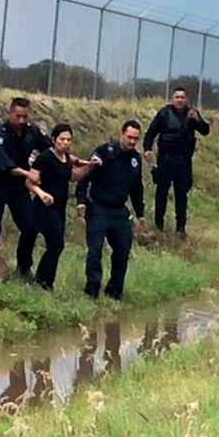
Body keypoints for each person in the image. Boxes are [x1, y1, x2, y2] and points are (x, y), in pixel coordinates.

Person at [76, 120, 146, 301]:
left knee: (123, 250)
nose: (132, 142)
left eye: (135, 139)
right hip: (99, 207)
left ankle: (114, 292)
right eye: (129, 137)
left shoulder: (135, 160)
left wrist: (140, 214)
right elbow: (86, 176)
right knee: (95, 250)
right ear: (121, 134)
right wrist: (81, 200)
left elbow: (137, 188)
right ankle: (92, 291)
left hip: (119, 210)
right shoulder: (104, 152)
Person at [0, 97, 51, 280]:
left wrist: (72, 160)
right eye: (18, 116)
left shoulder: (32, 131)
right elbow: (5, 164)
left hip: (18, 187)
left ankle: (23, 268)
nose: (21, 121)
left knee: (30, 227)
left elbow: (50, 150)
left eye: (25, 117)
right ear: (10, 113)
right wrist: (29, 174)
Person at [25, 124, 99, 291]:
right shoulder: (45, 157)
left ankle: (44, 281)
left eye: (68, 140)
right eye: (62, 139)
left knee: (56, 246)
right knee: (56, 244)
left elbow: (73, 176)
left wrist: (90, 166)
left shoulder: (66, 158)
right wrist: (41, 193)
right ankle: (43, 282)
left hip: (60, 207)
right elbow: (29, 181)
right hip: (44, 207)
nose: (65, 143)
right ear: (54, 140)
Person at [143, 87, 210, 237]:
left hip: (183, 162)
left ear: (186, 99)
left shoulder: (192, 114)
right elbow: (151, 133)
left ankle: (180, 228)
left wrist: (197, 120)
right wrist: (147, 149)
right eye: (177, 97)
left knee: (181, 193)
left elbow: (205, 131)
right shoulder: (164, 113)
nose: (179, 100)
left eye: (182, 97)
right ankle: (158, 225)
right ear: (172, 98)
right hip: (165, 160)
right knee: (161, 193)